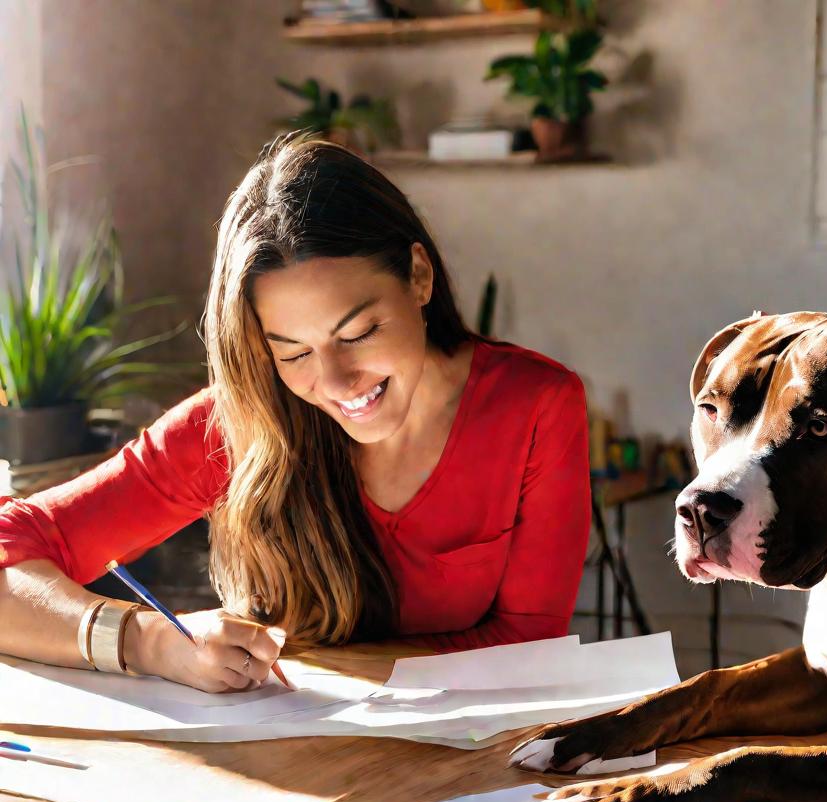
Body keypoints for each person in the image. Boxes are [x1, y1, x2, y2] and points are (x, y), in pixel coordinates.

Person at [0, 135, 590, 693]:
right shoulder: (245, 419)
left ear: (419, 275)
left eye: (358, 333)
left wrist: (333, 674)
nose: (333, 383)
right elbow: (12, 546)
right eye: (294, 352)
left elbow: (529, 645)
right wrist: (151, 642)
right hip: (289, 765)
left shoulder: (537, 406)